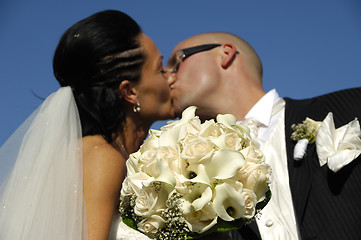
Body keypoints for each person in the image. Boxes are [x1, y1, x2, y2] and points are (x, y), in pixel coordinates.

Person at [166, 32, 361, 240]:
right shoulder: (184, 175)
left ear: (226, 54)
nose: (168, 78)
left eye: (176, 63)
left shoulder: (351, 105)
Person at [0, 10, 174, 240]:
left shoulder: (106, 154)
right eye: (161, 68)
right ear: (130, 92)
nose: (171, 76)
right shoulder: (102, 156)